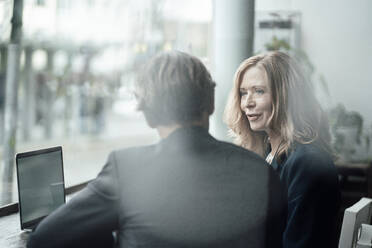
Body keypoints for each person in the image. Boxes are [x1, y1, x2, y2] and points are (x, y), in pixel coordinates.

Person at [27, 51, 287, 248]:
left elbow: (43, 239)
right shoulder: (261, 171)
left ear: (148, 112)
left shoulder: (128, 169)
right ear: (209, 102)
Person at [224, 51, 341, 248]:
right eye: (243, 93)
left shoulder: (307, 163)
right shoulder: (271, 153)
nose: (247, 103)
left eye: (259, 91)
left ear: (286, 97)